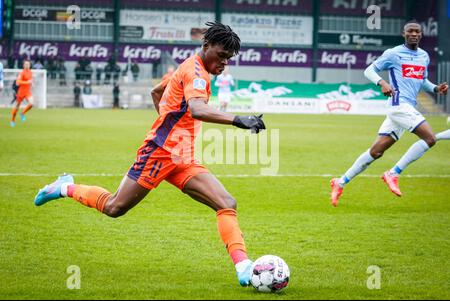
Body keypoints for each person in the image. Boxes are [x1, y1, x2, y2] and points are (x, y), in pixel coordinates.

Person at [34, 22, 266, 287]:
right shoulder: (196, 73)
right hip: (159, 154)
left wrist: (170, 125)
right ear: (206, 46)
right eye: (221, 55)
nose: (224, 63)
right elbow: (198, 110)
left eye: (229, 58)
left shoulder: (189, 66)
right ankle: (65, 187)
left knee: (226, 203)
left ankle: (244, 267)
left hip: (182, 156)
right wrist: (239, 120)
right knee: (114, 207)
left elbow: (156, 91)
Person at [330, 21, 449, 207]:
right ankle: (393, 173)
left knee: (376, 152)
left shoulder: (423, 56)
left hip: (406, 107)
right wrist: (382, 83)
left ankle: (341, 182)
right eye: (410, 31)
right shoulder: (393, 53)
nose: (414, 34)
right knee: (430, 139)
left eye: (417, 31)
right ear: (404, 34)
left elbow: (422, 80)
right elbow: (369, 70)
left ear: (421, 34)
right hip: (398, 105)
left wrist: (435, 88)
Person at [10, 60, 34, 128]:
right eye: (25, 64)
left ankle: (22, 113)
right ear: (23, 65)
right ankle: (12, 120)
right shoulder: (21, 73)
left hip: (27, 92)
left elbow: (30, 80)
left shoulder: (30, 72)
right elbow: (18, 81)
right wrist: (27, 82)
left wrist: (32, 83)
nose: (27, 65)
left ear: (29, 65)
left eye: (28, 64)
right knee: (16, 107)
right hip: (21, 92)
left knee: (31, 103)